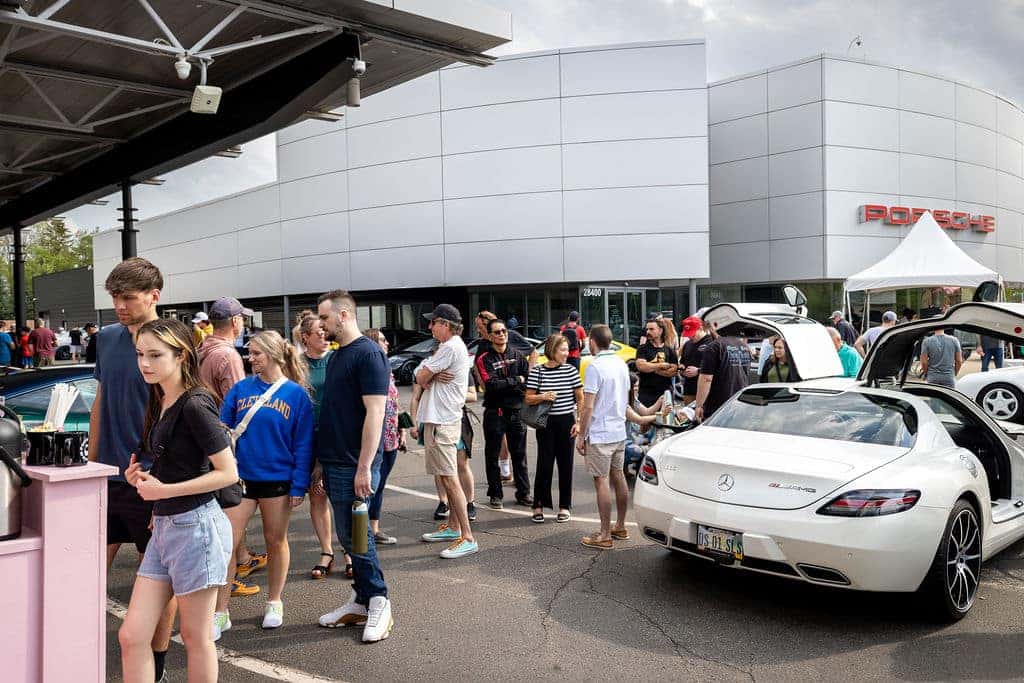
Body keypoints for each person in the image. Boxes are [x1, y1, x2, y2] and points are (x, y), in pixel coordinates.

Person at [119, 319, 236, 683]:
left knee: (195, 637)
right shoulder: (162, 396)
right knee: (132, 635)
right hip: (167, 525)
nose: (145, 363)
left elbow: (228, 472)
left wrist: (163, 491)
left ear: (181, 355)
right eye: (140, 354)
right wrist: (138, 474)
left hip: (196, 528)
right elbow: (173, 460)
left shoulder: (196, 404)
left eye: (155, 355)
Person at [89, 257, 174, 681]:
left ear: (154, 296)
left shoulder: (174, 341)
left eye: (127, 298)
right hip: (106, 476)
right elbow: (101, 400)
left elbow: (182, 408)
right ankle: (77, 645)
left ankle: (157, 662)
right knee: (86, 567)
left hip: (152, 479)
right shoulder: (106, 338)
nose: (119, 306)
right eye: (114, 299)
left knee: (159, 574)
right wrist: (91, 464)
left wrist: (166, 472)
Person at [217, 331, 313, 634]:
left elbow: (303, 445)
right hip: (240, 479)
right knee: (226, 544)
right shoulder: (240, 389)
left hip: (278, 480)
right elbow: (221, 430)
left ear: (272, 354)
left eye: (256, 353)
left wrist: (299, 485)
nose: (250, 358)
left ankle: (274, 601)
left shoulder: (297, 395)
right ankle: (220, 611)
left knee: (275, 540)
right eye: (250, 352)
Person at [315, 290, 393, 643]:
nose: (321, 324)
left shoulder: (369, 354)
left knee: (359, 538)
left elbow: (376, 413)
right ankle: (361, 600)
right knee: (348, 537)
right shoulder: (337, 357)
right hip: (334, 463)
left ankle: (378, 600)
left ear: (344, 316)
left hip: (353, 465)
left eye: (325, 318)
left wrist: (364, 467)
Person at [198, 296, 264, 596]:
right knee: (231, 509)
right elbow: (238, 406)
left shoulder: (201, 348)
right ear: (236, 322)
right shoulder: (228, 356)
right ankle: (227, 577)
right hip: (223, 441)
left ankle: (242, 558)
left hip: (202, 438)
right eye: (243, 319)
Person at [415, 304, 478, 557]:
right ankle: (453, 528)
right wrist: (428, 372)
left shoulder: (450, 346)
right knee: (445, 477)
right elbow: (421, 371)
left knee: (450, 479)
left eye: (433, 322)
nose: (430, 327)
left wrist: (427, 374)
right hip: (439, 420)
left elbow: (420, 377)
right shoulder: (448, 347)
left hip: (443, 421)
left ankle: (467, 537)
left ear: (445, 324)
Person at [575, 324, 631, 549]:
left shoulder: (594, 366)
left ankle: (605, 534)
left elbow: (588, 407)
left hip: (600, 432)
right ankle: (620, 525)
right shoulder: (621, 363)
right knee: (619, 476)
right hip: (619, 429)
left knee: (601, 481)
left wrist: (581, 434)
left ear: (592, 341)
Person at [525, 333, 583, 523]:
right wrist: (543, 396)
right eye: (563, 349)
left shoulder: (571, 371)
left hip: (567, 421)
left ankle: (565, 506)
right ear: (552, 350)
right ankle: (538, 505)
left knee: (566, 465)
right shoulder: (538, 372)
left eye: (567, 349)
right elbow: (528, 398)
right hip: (546, 423)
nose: (567, 353)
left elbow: (580, 398)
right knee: (545, 464)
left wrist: (579, 421)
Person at [476, 317, 532, 510]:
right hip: (495, 412)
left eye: (504, 331)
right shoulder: (484, 359)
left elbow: (528, 383)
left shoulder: (518, 355)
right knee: (492, 455)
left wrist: (509, 383)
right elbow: (490, 386)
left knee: (520, 455)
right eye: (497, 332)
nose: (501, 335)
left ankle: (523, 493)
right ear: (490, 336)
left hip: (517, 412)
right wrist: (516, 379)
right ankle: (495, 494)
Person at [301, 314, 340, 579]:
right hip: (308, 435)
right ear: (305, 337)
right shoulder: (297, 364)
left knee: (342, 493)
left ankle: (350, 550)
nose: (324, 336)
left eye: (326, 331)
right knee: (317, 494)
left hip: (336, 434)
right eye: (318, 333)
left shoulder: (337, 358)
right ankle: (327, 551)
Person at [365, 328, 404, 547]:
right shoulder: (370, 368)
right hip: (375, 436)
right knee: (371, 482)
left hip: (391, 435)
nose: (387, 343)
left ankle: (374, 529)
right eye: (382, 340)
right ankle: (361, 533)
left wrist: (403, 431)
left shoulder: (387, 368)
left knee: (380, 484)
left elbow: (394, 403)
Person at [695, 321, 752, 422]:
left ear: (713, 327)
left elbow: (706, 379)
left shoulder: (714, 346)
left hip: (719, 406)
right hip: (740, 402)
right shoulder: (744, 346)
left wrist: (699, 405)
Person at [634, 318, 679, 407]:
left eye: (651, 329)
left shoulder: (669, 350)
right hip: (646, 394)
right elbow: (641, 366)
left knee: (665, 420)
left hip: (665, 393)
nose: (648, 332)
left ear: (660, 331)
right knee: (646, 419)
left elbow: (673, 371)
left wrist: (652, 368)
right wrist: (661, 365)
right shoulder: (643, 349)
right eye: (647, 329)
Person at [624, 372, 661, 472]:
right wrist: (660, 415)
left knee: (649, 437)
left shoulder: (633, 398)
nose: (637, 388)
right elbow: (640, 420)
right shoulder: (623, 403)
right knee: (638, 452)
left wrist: (659, 401)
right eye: (635, 386)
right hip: (623, 440)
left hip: (631, 435)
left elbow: (646, 412)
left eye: (638, 386)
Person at [678, 316, 709, 404]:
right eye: (688, 334)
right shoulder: (687, 344)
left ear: (700, 328)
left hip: (705, 388)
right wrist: (682, 368)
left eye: (692, 334)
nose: (690, 337)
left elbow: (718, 366)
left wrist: (698, 371)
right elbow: (682, 362)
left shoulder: (711, 343)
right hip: (689, 389)